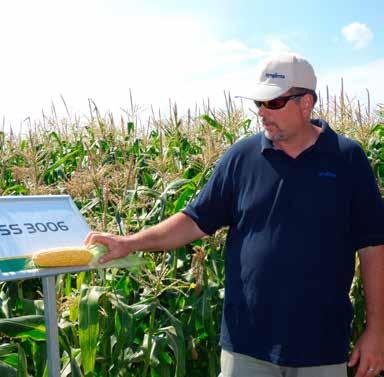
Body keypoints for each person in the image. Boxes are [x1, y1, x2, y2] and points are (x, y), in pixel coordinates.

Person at [85, 53, 384, 377]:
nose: (262, 112)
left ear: (305, 103)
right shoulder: (242, 157)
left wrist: (377, 330)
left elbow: (373, 248)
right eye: (259, 102)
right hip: (247, 346)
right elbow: (194, 220)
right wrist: (130, 242)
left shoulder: (347, 158)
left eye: (274, 103)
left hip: (322, 347)